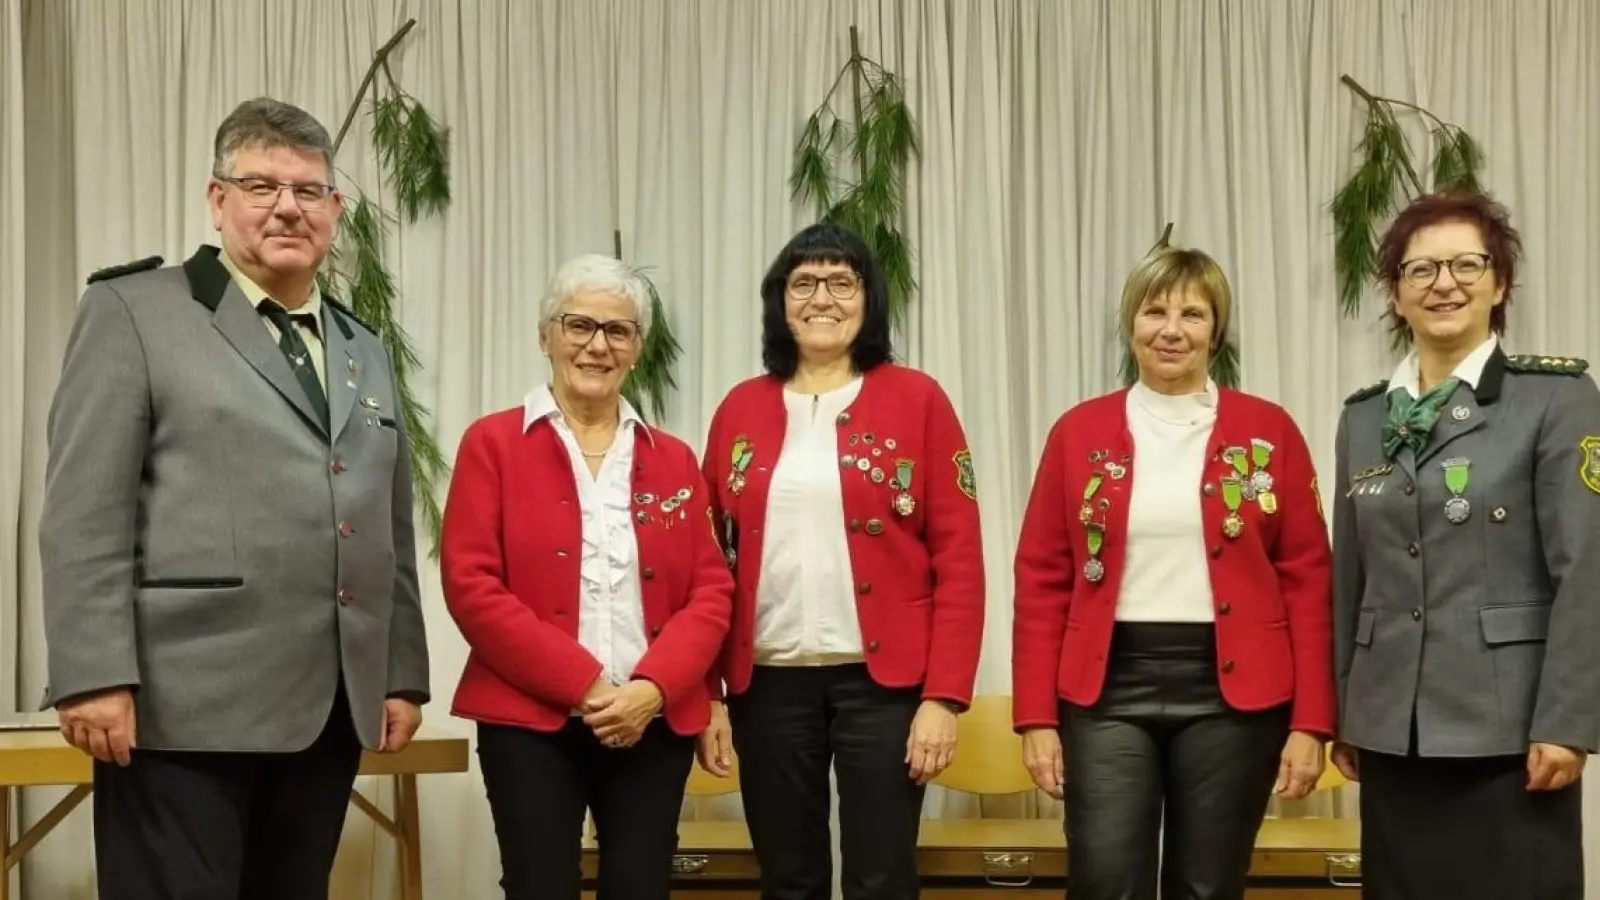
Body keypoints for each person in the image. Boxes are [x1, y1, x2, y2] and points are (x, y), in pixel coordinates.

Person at [36, 97, 429, 900]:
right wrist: (90, 673)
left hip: (327, 709)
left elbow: (385, 522)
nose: (287, 206)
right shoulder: (134, 312)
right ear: (218, 200)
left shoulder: (361, 347)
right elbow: (83, 510)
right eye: (261, 185)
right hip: (182, 707)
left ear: (334, 210)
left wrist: (399, 673)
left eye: (308, 190)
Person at [1011, 246, 1334, 900]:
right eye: (1155, 311)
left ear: (1217, 329)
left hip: (1235, 692)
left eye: (1192, 313)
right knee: (1105, 878)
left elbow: (1308, 579)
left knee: (1207, 883)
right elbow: (1042, 579)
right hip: (1106, 688)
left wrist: (1312, 722)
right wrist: (1036, 718)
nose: (1171, 329)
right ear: (1132, 324)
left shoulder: (1269, 432)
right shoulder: (1078, 433)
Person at [698, 222, 986, 900]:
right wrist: (707, 693)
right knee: (788, 877)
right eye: (803, 283)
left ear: (868, 299)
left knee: (882, 877)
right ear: (780, 301)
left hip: (884, 687)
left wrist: (943, 696)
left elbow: (961, 558)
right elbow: (708, 563)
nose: (821, 297)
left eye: (841, 282)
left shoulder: (919, 399)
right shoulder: (739, 408)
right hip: (766, 685)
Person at [440, 253, 733, 900]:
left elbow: (712, 592)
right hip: (528, 724)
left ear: (637, 349)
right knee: (538, 885)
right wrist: (586, 686)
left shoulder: (675, 459)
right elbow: (471, 584)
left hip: (651, 723)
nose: (597, 345)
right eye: (579, 326)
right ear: (546, 336)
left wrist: (654, 689)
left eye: (618, 330)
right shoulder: (491, 445)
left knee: (641, 886)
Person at [1331, 191, 1598, 900]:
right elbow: (1350, 576)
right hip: (1393, 729)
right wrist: (1346, 709)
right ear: (1395, 292)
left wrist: (1569, 723)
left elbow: (1587, 569)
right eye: (1421, 270)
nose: (1443, 283)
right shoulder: (1364, 417)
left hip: (1511, 733)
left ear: (1499, 282)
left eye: (1466, 264)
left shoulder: (1556, 398)